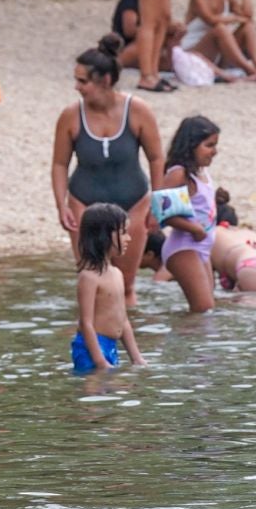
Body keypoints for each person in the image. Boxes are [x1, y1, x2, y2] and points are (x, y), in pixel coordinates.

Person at [53, 36, 166, 310]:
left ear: (104, 80)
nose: (76, 87)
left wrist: (157, 203)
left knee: (124, 285)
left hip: (134, 204)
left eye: (83, 81)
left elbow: (156, 157)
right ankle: (90, 345)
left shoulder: (138, 110)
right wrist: (61, 205)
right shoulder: (71, 116)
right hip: (84, 203)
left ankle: (128, 343)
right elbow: (59, 164)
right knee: (91, 279)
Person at [159, 115, 222, 313]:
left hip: (201, 247)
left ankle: (193, 342)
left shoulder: (200, 172)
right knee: (203, 308)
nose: (215, 151)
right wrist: (193, 228)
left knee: (206, 310)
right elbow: (163, 212)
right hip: (183, 247)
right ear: (191, 145)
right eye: (209, 145)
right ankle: (180, 341)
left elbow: (197, 205)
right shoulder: (179, 173)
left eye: (215, 145)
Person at [74, 202, 144, 372]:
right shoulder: (89, 277)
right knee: (94, 390)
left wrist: (137, 358)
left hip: (110, 346)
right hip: (91, 348)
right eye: (123, 233)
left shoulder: (117, 274)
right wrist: (100, 361)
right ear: (104, 236)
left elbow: (123, 320)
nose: (129, 238)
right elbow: (86, 324)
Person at [111, 0, 182, 77]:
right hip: (128, 45)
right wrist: (158, 29)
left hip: (148, 41)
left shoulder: (153, 2)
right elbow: (129, 31)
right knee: (144, 42)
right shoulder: (131, 1)